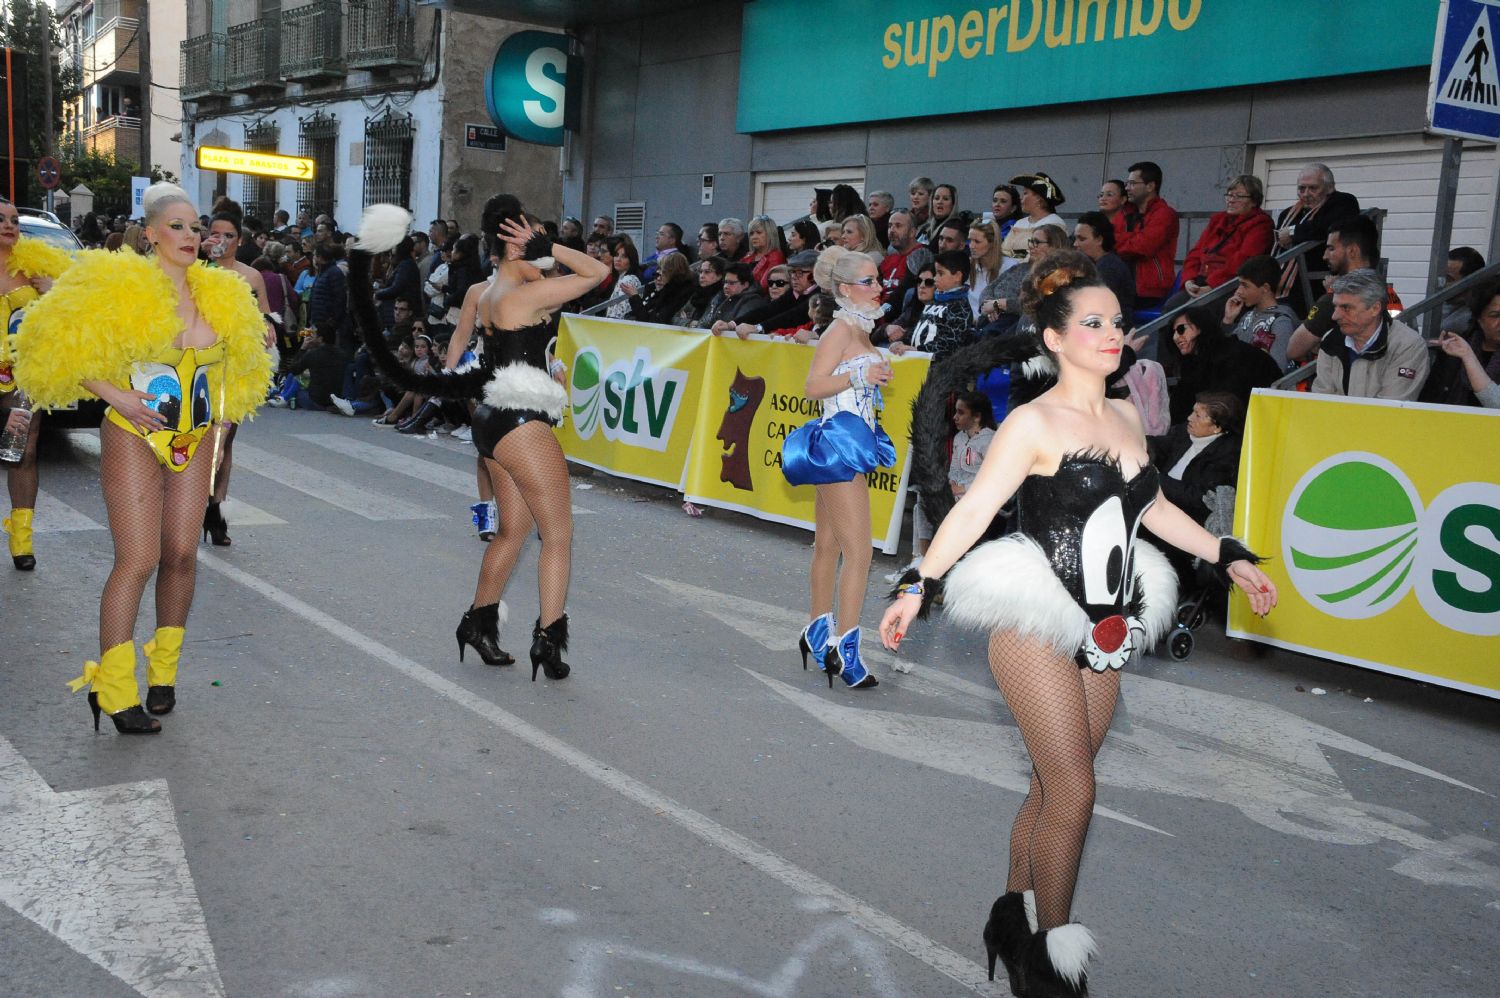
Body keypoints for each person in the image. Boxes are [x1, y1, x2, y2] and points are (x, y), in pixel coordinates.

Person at [879, 250, 1276, 997]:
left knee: (1051, 784)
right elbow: (973, 508)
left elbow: (1152, 510)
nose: (1111, 333)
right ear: (1055, 338)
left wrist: (1226, 554)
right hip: (1034, 619)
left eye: (1117, 323)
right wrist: (917, 582)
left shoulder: (1127, 415)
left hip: (1111, 621)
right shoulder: (1033, 422)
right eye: (1091, 322)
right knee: (1075, 791)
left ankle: (1009, 919)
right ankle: (1051, 967)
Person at [15, 183, 274, 734]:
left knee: (181, 553)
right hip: (133, 432)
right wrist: (116, 396)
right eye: (177, 227)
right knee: (138, 559)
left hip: (196, 434)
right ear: (151, 233)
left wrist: (227, 411)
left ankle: (163, 676)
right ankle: (112, 690)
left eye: (196, 228)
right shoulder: (118, 284)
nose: (190, 236)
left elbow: (238, 366)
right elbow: (47, 337)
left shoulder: (222, 293)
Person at [353, 198, 610, 680]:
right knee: (557, 534)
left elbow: (545, 292)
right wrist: (548, 245)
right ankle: (548, 642)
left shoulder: (495, 291)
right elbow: (597, 272)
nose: (542, 240)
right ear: (516, 242)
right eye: (532, 232)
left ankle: (478, 623)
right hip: (521, 422)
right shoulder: (524, 294)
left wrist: (536, 251)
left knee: (513, 532)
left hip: (493, 419)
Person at [783, 245, 896, 690]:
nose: (879, 286)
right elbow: (812, 386)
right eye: (869, 281)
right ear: (846, 288)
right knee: (860, 553)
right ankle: (844, 651)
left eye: (879, 278)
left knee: (828, 547)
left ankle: (816, 631)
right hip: (838, 445)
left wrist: (870, 374)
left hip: (851, 440)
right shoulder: (840, 330)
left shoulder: (859, 329)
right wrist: (859, 377)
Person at [0, 200, 71, 572]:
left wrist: (54, 289)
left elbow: (77, 309)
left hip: (22, 376)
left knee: (21, 452)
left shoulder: (35, 268)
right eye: (1, 219)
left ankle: (21, 539)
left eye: (13, 220)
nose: (9, 225)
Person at [1312, 269, 1429, 400]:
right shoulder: (1331, 339)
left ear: (1375, 308)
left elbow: (1390, 410)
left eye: (1346, 308)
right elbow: (1321, 399)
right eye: (1335, 307)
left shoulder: (1408, 345)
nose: (1335, 316)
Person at [1163, 305, 1282, 424]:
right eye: (1173, 333)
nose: (1175, 337)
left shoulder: (1236, 356)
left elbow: (1228, 408)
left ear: (1201, 327)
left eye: (1181, 329)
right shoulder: (1193, 363)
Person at [1286, 216, 1379, 364]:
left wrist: (1331, 295)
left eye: (1331, 248)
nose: (1324, 256)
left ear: (1352, 251)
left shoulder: (1334, 299)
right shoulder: (1387, 294)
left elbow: (1292, 349)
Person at [1273, 163, 1361, 313]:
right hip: (1284, 284)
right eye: (1301, 188)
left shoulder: (1343, 202)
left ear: (1329, 188)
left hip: (1316, 282)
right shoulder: (1288, 214)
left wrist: (1293, 232)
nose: (1306, 194)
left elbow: (1328, 226)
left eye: (1313, 188)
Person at [1149, 391, 1245, 525]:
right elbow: (1160, 445)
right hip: (1160, 504)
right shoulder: (1185, 432)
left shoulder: (1227, 456)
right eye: (1193, 412)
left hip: (1187, 521)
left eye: (1198, 416)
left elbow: (1198, 498)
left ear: (1217, 427)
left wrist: (1156, 479)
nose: (1189, 417)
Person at [1177, 175, 1273, 302]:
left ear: (1254, 201)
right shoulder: (1218, 220)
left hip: (1230, 287)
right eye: (1229, 195)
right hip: (1200, 281)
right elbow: (1196, 253)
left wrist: (1212, 286)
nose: (1231, 200)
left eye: (1238, 196)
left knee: (1195, 313)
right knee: (1171, 307)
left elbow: (1244, 260)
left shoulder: (1261, 225)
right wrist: (1189, 280)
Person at [1423, 277, 1500, 407]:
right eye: (1494, 315)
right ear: (1479, 318)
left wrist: (1468, 356)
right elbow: (1430, 400)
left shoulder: (1463, 351)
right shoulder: (1454, 351)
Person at [1113, 160, 1180, 309]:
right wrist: (1132, 238)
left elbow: (1142, 247)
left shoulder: (1165, 214)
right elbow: (1108, 240)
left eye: (1132, 184)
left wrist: (1122, 242)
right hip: (1122, 283)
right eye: (1126, 183)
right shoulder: (1125, 212)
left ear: (1150, 186)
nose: (1127, 188)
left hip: (1149, 291)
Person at [893, 249, 975, 360]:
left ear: (957, 276)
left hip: (936, 369)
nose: (935, 278)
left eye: (940, 273)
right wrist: (901, 342)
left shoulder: (960, 308)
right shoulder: (935, 301)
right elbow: (919, 329)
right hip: (915, 360)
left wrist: (919, 351)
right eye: (936, 273)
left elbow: (949, 345)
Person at [1222, 255, 1299, 369]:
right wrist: (1228, 320)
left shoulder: (1281, 322)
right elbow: (1225, 352)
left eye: (1245, 286)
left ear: (1265, 288)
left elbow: (1277, 369)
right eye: (1240, 284)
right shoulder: (1248, 315)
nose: (1238, 291)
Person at [1070, 211, 1136, 330]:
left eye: (1082, 239)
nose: (1075, 244)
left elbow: (1094, 305)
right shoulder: (1098, 264)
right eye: (1075, 238)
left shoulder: (1109, 267)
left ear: (1099, 239)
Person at [1001, 173, 1066, 263]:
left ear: (1038, 199)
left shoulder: (1054, 223)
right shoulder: (1020, 223)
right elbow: (1004, 250)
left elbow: (1050, 256)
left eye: (1025, 193)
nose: (1020, 198)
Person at [628, 251, 696, 325]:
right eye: (656, 275)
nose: (659, 278)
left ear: (671, 272)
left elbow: (655, 320)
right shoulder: (665, 290)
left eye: (663, 272)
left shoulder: (678, 293)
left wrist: (635, 298)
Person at [968, 220, 1004, 320]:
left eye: (977, 241)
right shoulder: (967, 265)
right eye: (970, 240)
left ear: (992, 243)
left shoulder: (1009, 267)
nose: (971, 246)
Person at [678, 257, 726, 327]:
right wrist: (689, 322)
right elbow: (674, 318)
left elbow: (708, 324)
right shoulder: (696, 294)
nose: (702, 276)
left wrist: (691, 323)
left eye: (707, 272)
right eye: (700, 272)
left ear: (719, 276)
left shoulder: (722, 296)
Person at [744, 214, 788, 289]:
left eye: (759, 233)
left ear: (770, 235)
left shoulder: (776, 256)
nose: (754, 237)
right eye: (751, 233)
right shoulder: (748, 256)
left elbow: (764, 286)